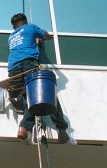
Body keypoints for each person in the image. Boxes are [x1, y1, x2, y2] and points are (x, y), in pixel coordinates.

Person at [7, 13, 70, 144]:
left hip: (13, 70)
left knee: (28, 98)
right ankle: (61, 129)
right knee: (46, 97)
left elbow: (22, 44)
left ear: (14, 27)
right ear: (25, 21)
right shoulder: (30, 28)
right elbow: (47, 35)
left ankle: (24, 128)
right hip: (28, 64)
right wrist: (41, 38)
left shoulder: (11, 36)